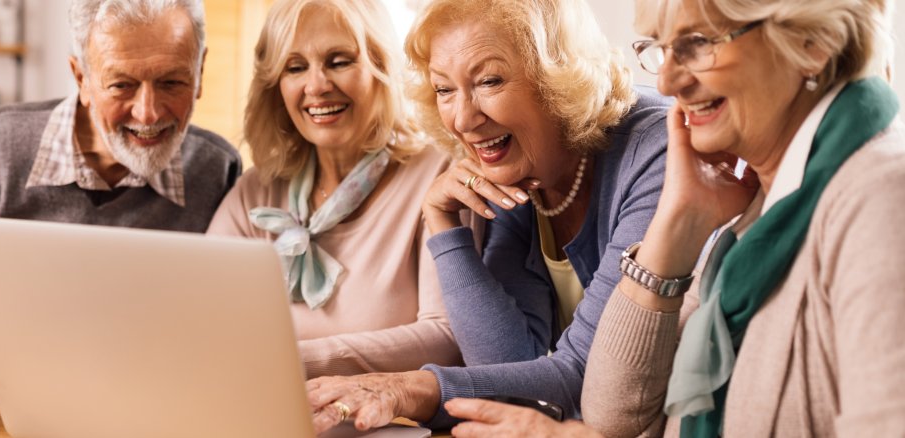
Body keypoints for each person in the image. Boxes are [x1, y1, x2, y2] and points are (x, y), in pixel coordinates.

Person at [384, 0, 905, 436]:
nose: (670, 79)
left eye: (698, 43)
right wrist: (675, 229)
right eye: (660, 47)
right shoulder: (756, 209)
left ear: (812, 45)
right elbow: (615, 411)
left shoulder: (878, 198)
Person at [306, 0, 669, 433]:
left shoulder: (654, 152)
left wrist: (409, 389)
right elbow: (509, 369)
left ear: (558, 79)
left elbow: (583, 374)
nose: (462, 118)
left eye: (489, 81)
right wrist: (442, 224)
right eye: (444, 89)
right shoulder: (516, 171)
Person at [206, 0, 462, 378]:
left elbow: (447, 339)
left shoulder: (439, 174)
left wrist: (292, 361)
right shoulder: (254, 194)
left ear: (381, 67)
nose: (317, 86)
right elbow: (202, 321)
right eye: (295, 67)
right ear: (275, 85)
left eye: (339, 61)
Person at [0, 0, 241, 232]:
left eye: (172, 82)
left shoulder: (218, 169)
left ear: (199, 73)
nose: (148, 114)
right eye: (122, 85)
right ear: (82, 79)